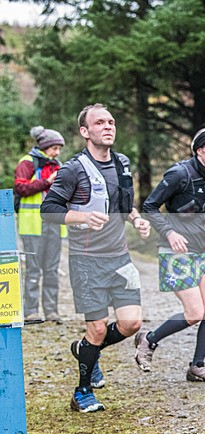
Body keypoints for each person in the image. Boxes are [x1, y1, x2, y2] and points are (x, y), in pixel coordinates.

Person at [41, 103, 151, 413]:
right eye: (100, 122)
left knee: (131, 323)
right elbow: (49, 210)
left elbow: (124, 204)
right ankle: (82, 393)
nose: (108, 126)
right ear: (85, 131)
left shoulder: (122, 163)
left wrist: (137, 220)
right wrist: (82, 217)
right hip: (86, 260)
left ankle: (85, 349)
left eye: (111, 122)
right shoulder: (73, 169)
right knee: (99, 328)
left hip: (120, 258)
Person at [135, 127, 205, 383]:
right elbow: (150, 206)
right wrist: (169, 233)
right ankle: (149, 339)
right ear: (199, 150)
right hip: (176, 252)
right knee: (194, 313)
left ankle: (197, 366)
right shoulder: (179, 174)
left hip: (204, 250)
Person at [14, 126, 66, 323]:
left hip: (54, 225)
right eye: (54, 148)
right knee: (33, 269)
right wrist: (46, 182)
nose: (57, 152)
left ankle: (51, 311)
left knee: (52, 269)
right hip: (32, 226)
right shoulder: (27, 162)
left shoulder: (58, 165)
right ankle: (31, 312)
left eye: (59, 148)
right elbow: (20, 187)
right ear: (44, 147)